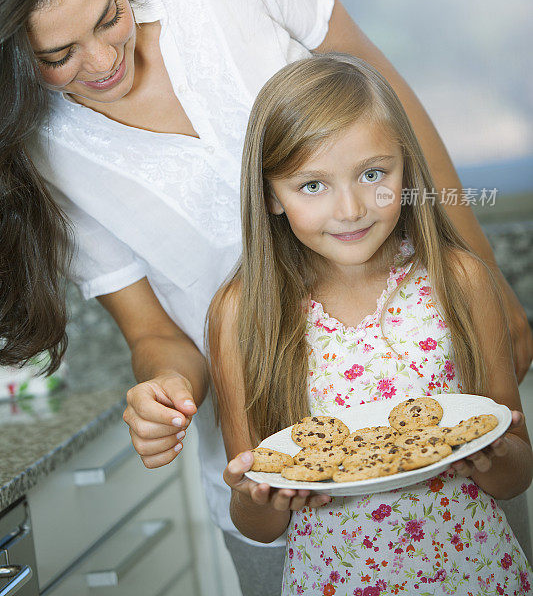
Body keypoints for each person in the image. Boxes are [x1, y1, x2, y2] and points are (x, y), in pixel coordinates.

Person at [0, 0, 531, 595]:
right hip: (278, 493)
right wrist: (163, 391)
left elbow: (385, 98)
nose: (101, 60)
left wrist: (479, 271)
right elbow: (156, 337)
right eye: (55, 56)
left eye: (108, 14)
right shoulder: (42, 151)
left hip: (445, 478)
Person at [215, 53, 533, 594]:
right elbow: (260, 526)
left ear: (406, 167)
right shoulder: (244, 315)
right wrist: (254, 496)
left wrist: (494, 453)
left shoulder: (459, 281)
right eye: (312, 185)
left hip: (475, 573)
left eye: (372, 174)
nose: (350, 208)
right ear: (271, 194)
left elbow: (517, 474)